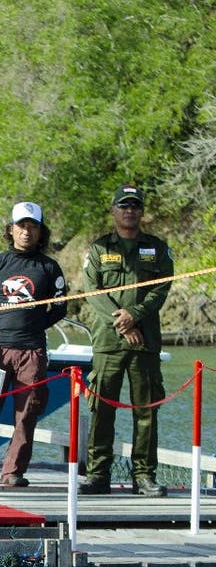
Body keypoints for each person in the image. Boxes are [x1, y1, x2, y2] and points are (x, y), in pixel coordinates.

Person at [0, 202, 67, 488]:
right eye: (21, 226)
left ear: (41, 231)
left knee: (27, 414)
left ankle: (12, 473)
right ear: (11, 229)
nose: (26, 231)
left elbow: (60, 306)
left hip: (31, 352)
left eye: (33, 226)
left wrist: (33, 324)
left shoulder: (49, 267)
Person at [79, 185, 173, 497]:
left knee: (146, 410)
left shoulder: (157, 249)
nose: (129, 210)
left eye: (134, 205)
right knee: (102, 408)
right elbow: (93, 292)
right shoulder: (98, 248)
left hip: (145, 341)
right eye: (123, 205)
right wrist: (122, 324)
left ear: (142, 211)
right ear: (113, 210)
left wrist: (134, 314)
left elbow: (160, 289)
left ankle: (144, 476)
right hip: (108, 341)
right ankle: (97, 475)